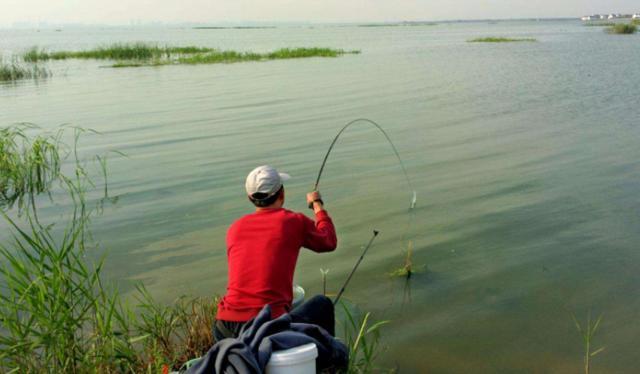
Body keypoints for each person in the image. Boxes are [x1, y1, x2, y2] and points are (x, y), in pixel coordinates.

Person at [214, 165, 338, 341]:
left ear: (250, 198)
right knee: (322, 304)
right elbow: (329, 241)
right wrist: (317, 205)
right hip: (267, 325)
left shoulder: (234, 229)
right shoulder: (293, 222)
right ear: (282, 193)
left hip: (224, 327)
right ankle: (328, 364)